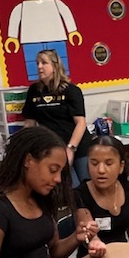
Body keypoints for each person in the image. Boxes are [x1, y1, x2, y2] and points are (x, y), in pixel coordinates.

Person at [0, 126, 103, 258]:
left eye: (60, 172)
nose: (58, 179)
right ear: (28, 161)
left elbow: (55, 250)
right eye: (52, 170)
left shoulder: (41, 198)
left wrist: (76, 238)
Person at [21, 48, 92, 187]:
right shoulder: (34, 91)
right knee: (71, 187)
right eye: (37, 63)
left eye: (44, 63)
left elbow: (81, 123)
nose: (39, 66)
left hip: (78, 145)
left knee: (88, 186)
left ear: (55, 66)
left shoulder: (71, 90)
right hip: (54, 148)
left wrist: (70, 149)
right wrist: (21, 146)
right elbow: (29, 123)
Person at [75, 135, 129, 258]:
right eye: (94, 163)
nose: (101, 170)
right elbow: (89, 234)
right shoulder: (81, 193)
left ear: (121, 166)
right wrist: (95, 243)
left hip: (123, 257)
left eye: (109, 163)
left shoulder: (127, 188)